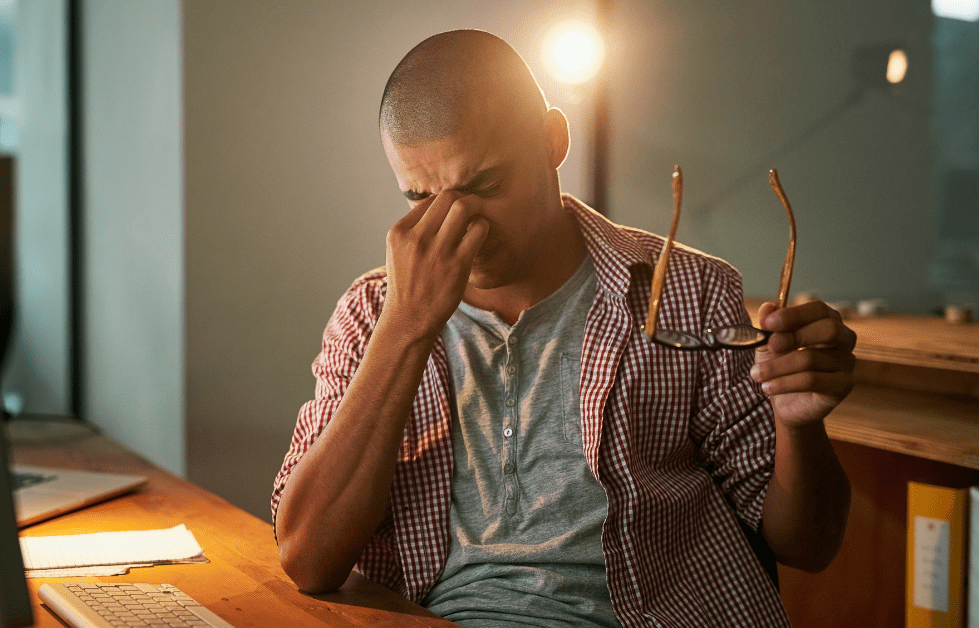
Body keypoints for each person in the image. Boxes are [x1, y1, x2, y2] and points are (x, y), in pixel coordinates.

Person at [272, 29, 855, 628]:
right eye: (420, 198)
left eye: (486, 185)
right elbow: (308, 559)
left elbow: (808, 546)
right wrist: (404, 331)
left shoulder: (686, 291)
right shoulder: (373, 314)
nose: (461, 226)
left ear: (554, 140)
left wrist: (799, 427)